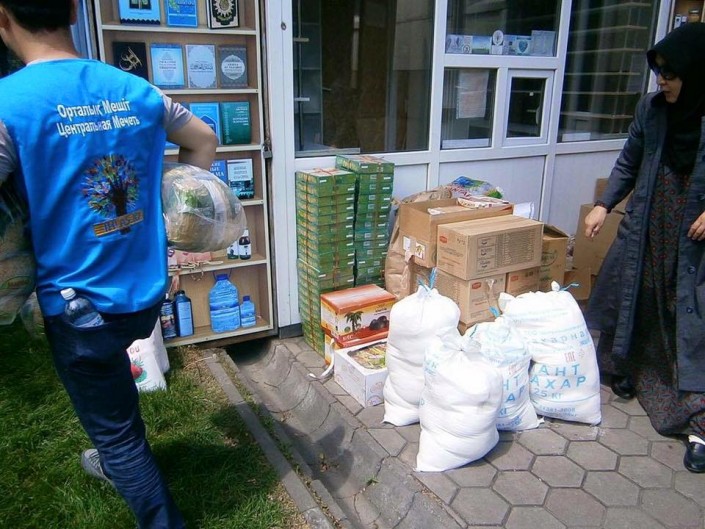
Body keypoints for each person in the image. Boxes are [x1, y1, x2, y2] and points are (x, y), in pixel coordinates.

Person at [0, 0, 218, 527]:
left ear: (2, 18)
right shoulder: (138, 91)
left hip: (80, 306)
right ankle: (120, 452)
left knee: (116, 433)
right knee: (112, 385)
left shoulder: (8, 105)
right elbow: (204, 140)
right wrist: (173, 218)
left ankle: (132, 473)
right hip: (144, 292)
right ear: (75, 11)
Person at [584, 22, 705, 473]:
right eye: (658, 73)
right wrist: (604, 204)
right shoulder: (651, 110)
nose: (662, 82)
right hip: (650, 221)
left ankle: (698, 423)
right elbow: (629, 160)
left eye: (671, 75)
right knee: (636, 297)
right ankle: (629, 370)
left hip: (694, 236)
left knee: (687, 315)